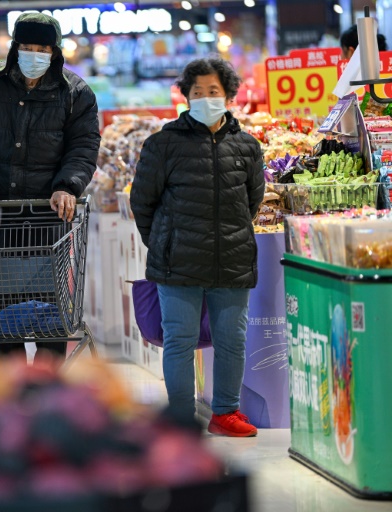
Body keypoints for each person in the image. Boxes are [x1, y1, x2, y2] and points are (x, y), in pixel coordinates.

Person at [0, 12, 100, 364]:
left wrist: (68, 186)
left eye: (42, 48)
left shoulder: (75, 93)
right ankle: (14, 393)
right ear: (15, 48)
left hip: (51, 223)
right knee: (5, 319)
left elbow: (84, 146)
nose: (34, 55)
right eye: (27, 47)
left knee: (52, 318)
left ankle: (46, 395)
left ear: (55, 52)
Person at [130, 57, 265, 437]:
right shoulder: (162, 145)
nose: (206, 98)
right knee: (179, 341)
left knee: (232, 341)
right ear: (186, 96)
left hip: (232, 258)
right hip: (178, 262)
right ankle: (180, 419)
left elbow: (253, 200)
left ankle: (226, 413)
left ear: (228, 96)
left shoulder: (247, 147)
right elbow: (143, 202)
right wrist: (163, 241)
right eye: (198, 92)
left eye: (214, 92)